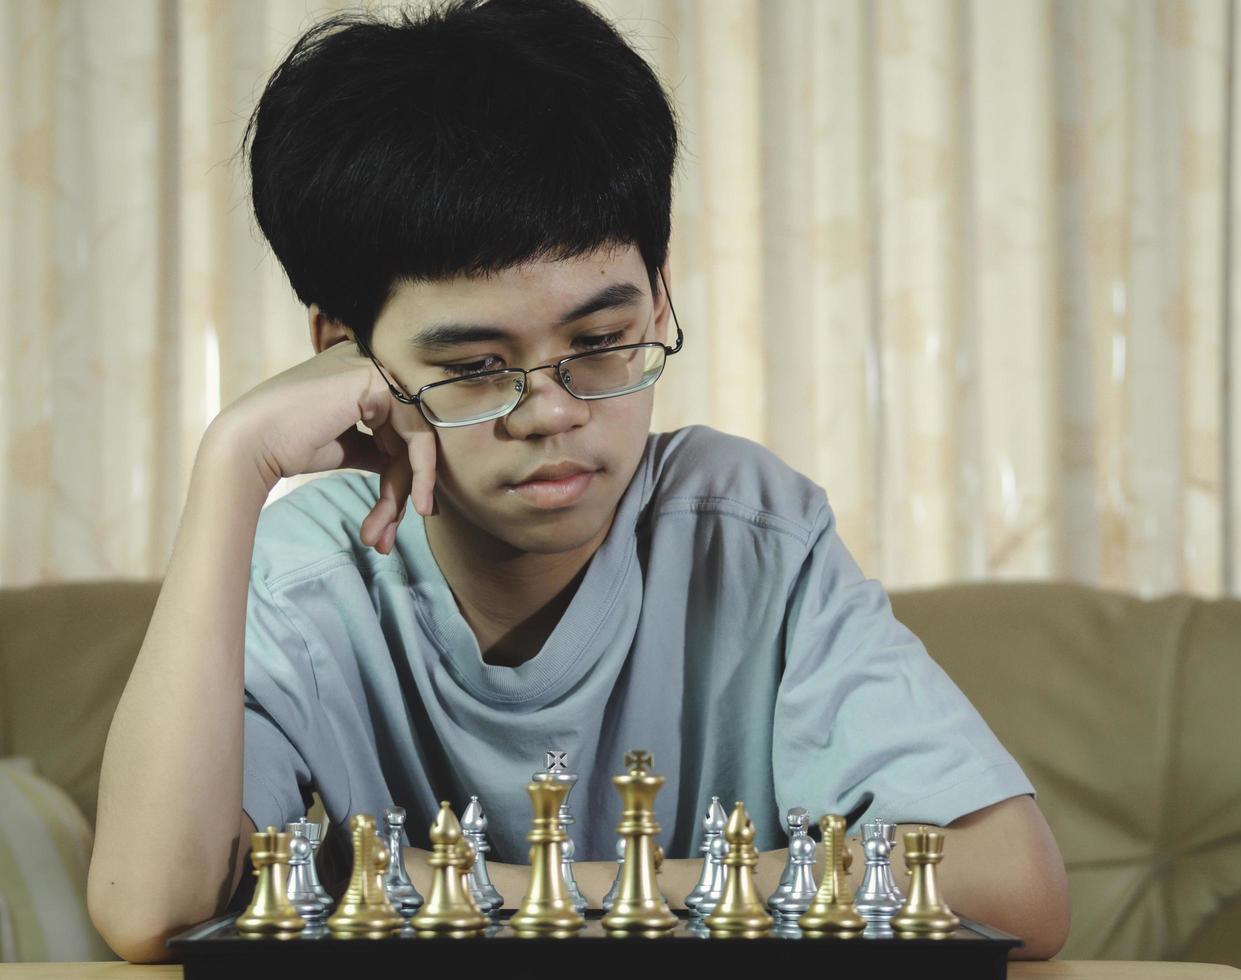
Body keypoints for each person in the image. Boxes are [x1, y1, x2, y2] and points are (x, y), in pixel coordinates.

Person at [88, 0, 1069, 962]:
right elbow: (149, 905)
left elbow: (1010, 880)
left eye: (601, 342)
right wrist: (234, 461)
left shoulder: (749, 529)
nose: (552, 410)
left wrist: (508, 892)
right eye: (473, 366)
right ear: (347, 361)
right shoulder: (308, 577)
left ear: (661, 296)